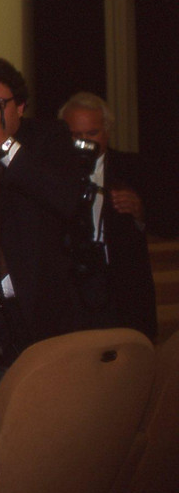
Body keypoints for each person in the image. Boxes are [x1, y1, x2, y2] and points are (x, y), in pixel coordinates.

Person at [0, 58, 86, 376]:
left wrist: (3, 146)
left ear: (20, 106)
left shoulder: (48, 139)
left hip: (39, 311)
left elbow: (66, 198)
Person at [59, 91, 163, 340]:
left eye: (92, 133)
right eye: (75, 135)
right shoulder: (51, 172)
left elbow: (164, 218)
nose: (84, 142)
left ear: (107, 131)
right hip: (70, 287)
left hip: (120, 286)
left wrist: (139, 212)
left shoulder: (133, 169)